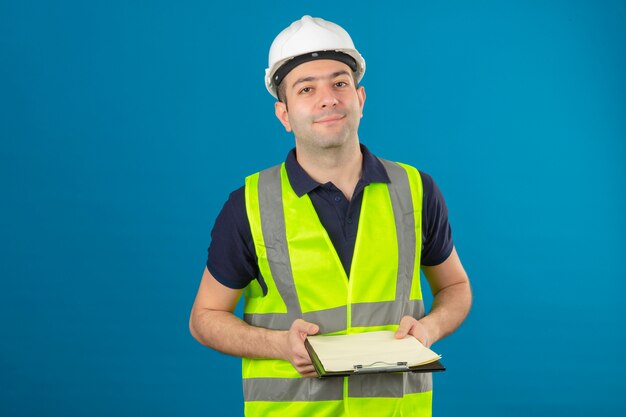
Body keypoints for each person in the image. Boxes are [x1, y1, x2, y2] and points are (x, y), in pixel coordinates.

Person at [189, 15, 472, 417]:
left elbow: (456, 288)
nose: (328, 98)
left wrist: (430, 329)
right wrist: (278, 345)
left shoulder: (416, 190)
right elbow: (204, 317)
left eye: (339, 83)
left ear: (360, 98)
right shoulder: (249, 204)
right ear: (284, 115)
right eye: (307, 89)